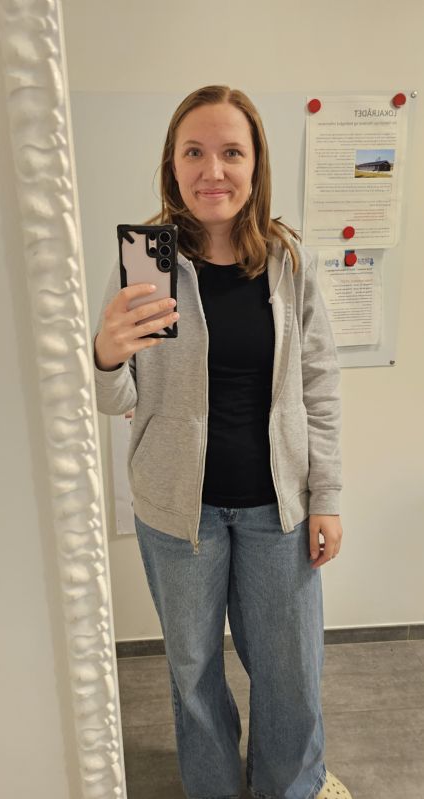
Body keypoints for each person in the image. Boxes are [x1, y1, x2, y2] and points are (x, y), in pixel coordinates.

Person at [93, 85, 352, 799]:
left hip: (280, 509)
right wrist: (106, 356)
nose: (213, 170)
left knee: (291, 670)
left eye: (232, 152)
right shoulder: (146, 263)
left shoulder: (289, 263)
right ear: (172, 165)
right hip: (178, 514)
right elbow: (117, 401)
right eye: (194, 152)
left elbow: (320, 385)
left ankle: (290, 787)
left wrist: (327, 496)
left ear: (255, 163)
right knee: (193, 670)